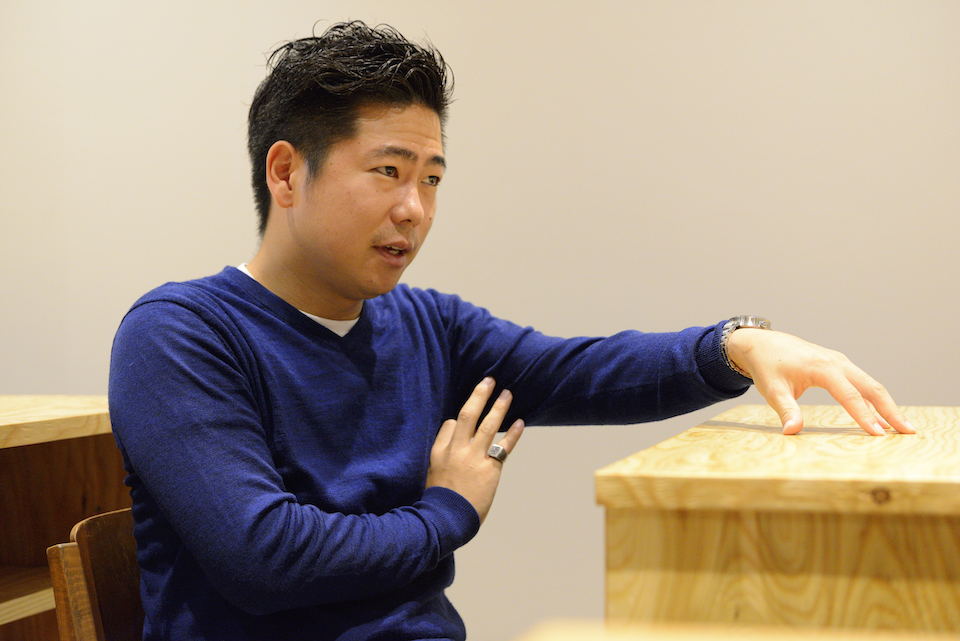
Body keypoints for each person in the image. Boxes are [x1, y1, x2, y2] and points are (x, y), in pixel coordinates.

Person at [108, 20, 915, 641]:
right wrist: (448, 509)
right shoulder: (180, 334)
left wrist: (736, 344)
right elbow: (266, 558)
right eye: (388, 171)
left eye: (431, 179)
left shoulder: (427, 324)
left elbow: (582, 371)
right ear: (287, 172)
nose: (414, 209)